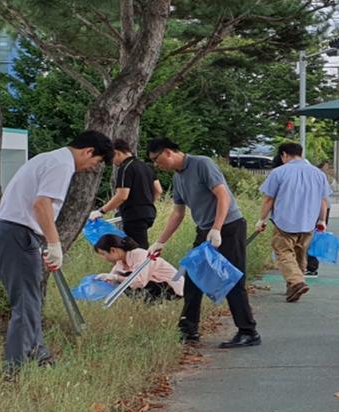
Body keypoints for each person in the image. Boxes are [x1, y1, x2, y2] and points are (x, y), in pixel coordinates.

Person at [0, 130, 114, 375]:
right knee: (26, 302)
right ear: (88, 151)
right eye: (95, 162)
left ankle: (40, 356)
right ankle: (15, 369)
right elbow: (42, 204)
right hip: (15, 233)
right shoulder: (62, 164)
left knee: (31, 299)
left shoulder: (48, 158)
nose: (91, 168)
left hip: (15, 233)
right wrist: (55, 244)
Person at [146, 138, 260, 348]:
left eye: (156, 159)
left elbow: (223, 196)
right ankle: (188, 329)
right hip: (205, 230)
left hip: (229, 226)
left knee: (232, 279)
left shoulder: (202, 164)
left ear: (168, 152)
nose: (156, 164)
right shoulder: (178, 178)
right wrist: (160, 242)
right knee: (193, 277)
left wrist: (217, 228)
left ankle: (248, 331)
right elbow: (178, 213)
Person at [255, 143, 331, 302]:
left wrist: (262, 220)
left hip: (284, 222)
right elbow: (323, 200)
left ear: (284, 154)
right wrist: (322, 220)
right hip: (308, 222)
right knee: (300, 255)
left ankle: (296, 282)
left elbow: (268, 199)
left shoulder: (278, 172)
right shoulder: (318, 174)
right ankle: (293, 288)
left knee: (283, 253)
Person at [89, 139, 163, 249]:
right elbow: (158, 190)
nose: (112, 162)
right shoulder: (145, 166)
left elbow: (122, 195)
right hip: (148, 213)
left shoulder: (125, 168)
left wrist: (101, 211)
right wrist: (146, 203)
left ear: (117, 152)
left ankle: (144, 260)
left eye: (111, 158)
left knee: (137, 249)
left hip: (134, 215)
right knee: (137, 245)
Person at [93, 234, 183, 302]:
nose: (103, 258)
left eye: (103, 254)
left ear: (113, 250)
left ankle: (151, 304)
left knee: (128, 279)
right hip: (158, 284)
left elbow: (140, 281)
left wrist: (115, 277)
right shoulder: (120, 262)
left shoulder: (139, 254)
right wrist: (101, 280)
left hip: (172, 287)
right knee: (123, 280)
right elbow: (111, 279)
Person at [305, 161, 333, 278]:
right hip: (322, 207)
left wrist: (321, 219)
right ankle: (310, 266)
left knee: (312, 237)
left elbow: (322, 199)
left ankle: (311, 267)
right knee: (314, 236)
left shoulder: (305, 173)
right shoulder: (316, 174)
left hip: (318, 208)